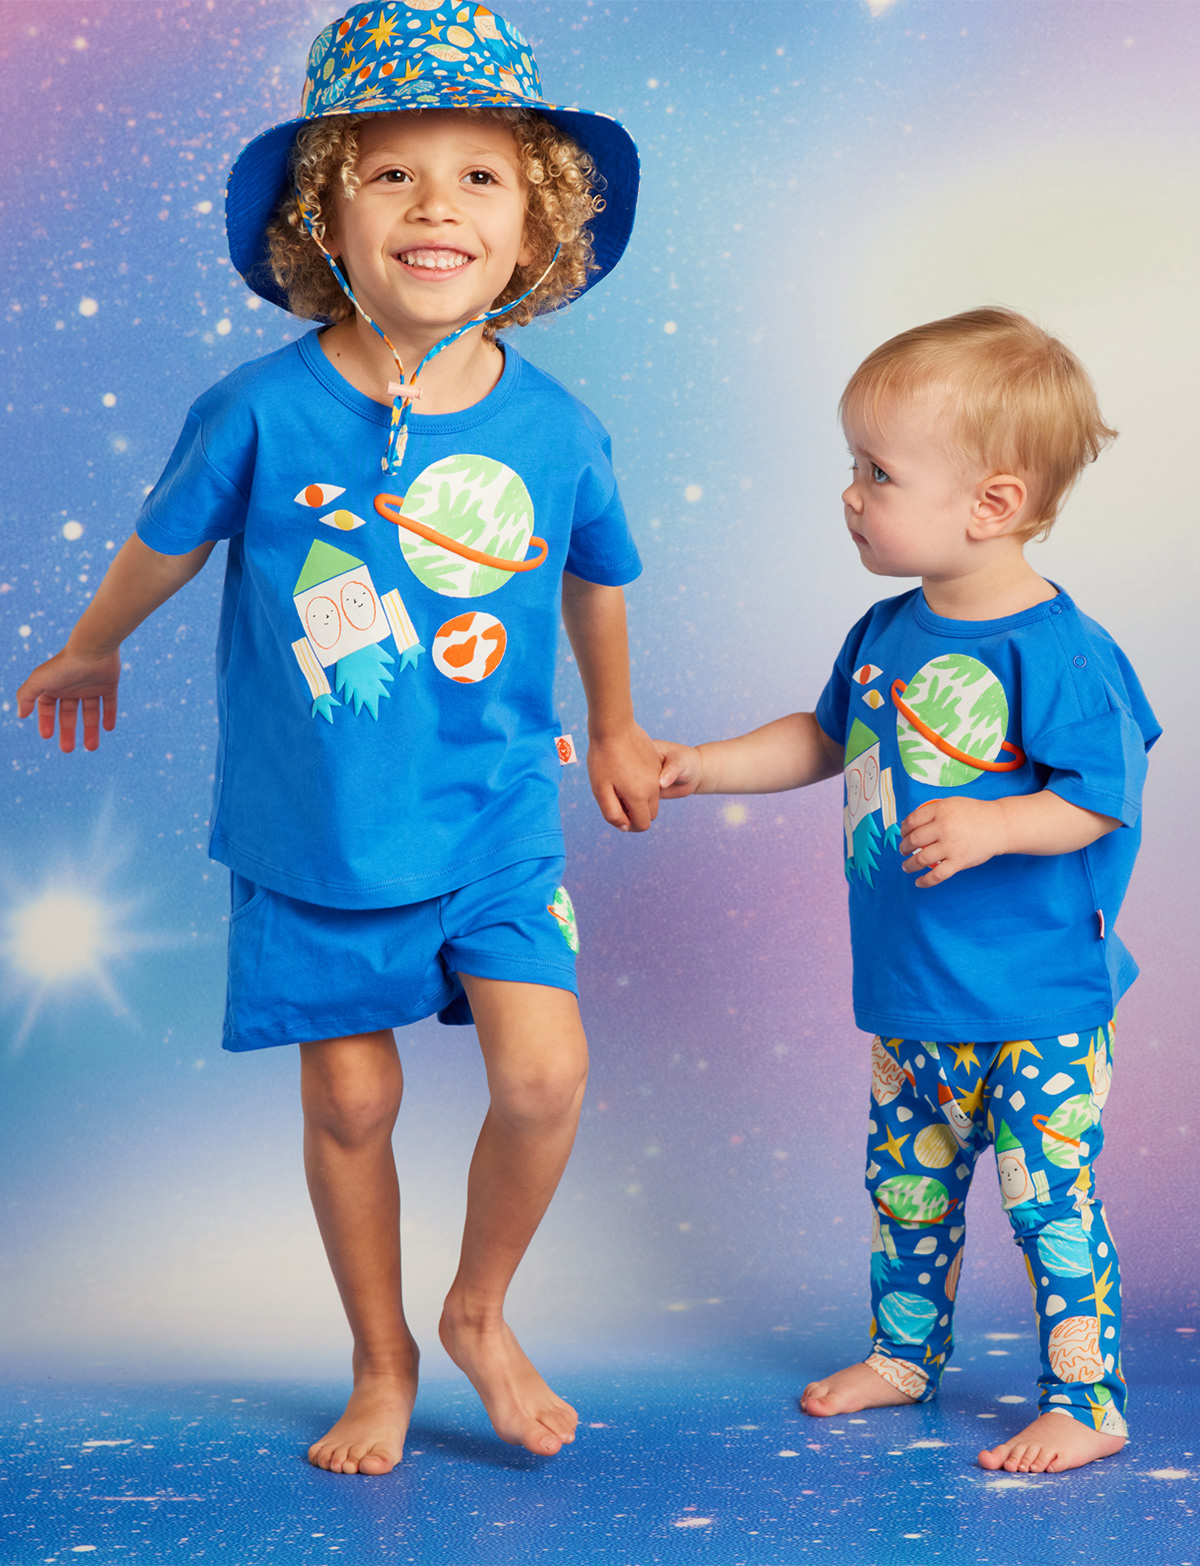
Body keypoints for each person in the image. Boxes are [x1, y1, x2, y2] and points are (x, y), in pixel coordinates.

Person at [17, 2, 660, 1477]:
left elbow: (598, 574)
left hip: (494, 812)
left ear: (537, 224)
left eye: (481, 176)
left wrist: (617, 725)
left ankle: (478, 1311)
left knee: (544, 1075)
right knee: (355, 1099)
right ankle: (381, 1359)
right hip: (316, 824)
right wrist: (96, 641)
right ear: (324, 214)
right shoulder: (258, 408)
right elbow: (164, 543)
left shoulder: (560, 427)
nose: (438, 206)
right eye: (392, 175)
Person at [656, 308, 1158, 1474]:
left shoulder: (1060, 652)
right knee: (907, 1194)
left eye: (878, 473)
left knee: (1049, 1206)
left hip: (1036, 1006)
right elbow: (822, 736)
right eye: (855, 466)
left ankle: (1087, 1401)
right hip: (914, 999)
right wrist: (701, 767)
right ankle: (903, 1355)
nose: (850, 494)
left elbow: (1102, 797)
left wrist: (996, 823)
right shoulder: (886, 630)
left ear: (992, 503)